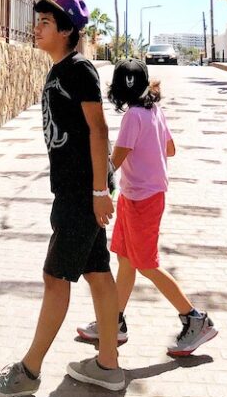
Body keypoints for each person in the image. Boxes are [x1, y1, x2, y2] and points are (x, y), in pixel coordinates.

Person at [0, 0, 124, 397]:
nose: (37, 27)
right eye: (38, 20)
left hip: (82, 192)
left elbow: (99, 131)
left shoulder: (79, 70)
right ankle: (108, 365)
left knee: (55, 277)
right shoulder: (57, 71)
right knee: (97, 272)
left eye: (46, 22)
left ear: (66, 31)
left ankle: (28, 370)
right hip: (75, 189)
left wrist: (99, 190)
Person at [76, 59, 217, 357]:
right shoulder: (155, 111)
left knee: (146, 264)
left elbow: (116, 161)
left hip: (143, 199)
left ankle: (195, 319)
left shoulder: (132, 118)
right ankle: (113, 321)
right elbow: (171, 149)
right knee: (127, 261)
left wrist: (94, 186)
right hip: (141, 195)